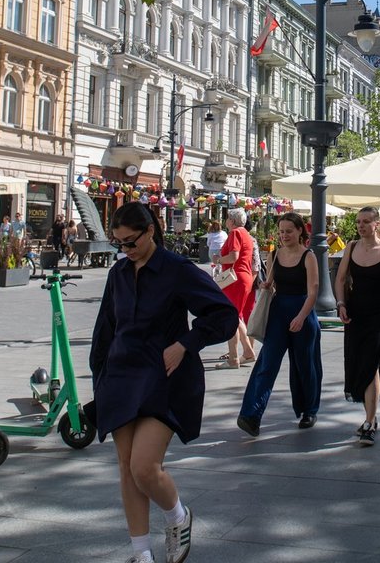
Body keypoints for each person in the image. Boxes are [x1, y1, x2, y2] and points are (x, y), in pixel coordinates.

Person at [90, 202, 236, 563]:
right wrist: (100, 380)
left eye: (130, 242)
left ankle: (177, 516)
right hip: (122, 377)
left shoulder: (177, 270)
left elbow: (224, 314)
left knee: (143, 466)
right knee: (126, 468)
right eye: (118, 244)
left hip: (163, 378)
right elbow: (105, 330)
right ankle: (141, 554)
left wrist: (185, 344)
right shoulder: (119, 274)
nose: (125, 250)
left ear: (150, 230)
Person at [237, 212, 322, 436]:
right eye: (281, 231)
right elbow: (270, 283)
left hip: (302, 312)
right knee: (268, 361)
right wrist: (265, 285)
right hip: (278, 312)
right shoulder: (275, 255)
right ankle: (251, 415)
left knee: (305, 364)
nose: (284, 235)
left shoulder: (309, 256)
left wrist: (301, 317)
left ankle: (309, 410)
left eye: (289, 231)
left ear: (300, 231)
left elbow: (313, 291)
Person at [335, 207, 380, 446]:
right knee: (359, 361)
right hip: (354, 313)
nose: (361, 226)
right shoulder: (351, 247)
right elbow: (340, 278)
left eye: (366, 222)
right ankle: (371, 415)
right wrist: (340, 303)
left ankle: (370, 422)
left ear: (377, 224)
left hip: (379, 314)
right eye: (358, 222)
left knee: (371, 362)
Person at [214, 208, 256, 369]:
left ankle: (234, 358)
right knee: (236, 317)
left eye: (227, 218)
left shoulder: (235, 233)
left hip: (235, 278)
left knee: (231, 317)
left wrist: (219, 259)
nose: (226, 221)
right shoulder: (245, 233)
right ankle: (247, 351)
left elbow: (234, 256)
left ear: (231, 220)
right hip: (243, 277)